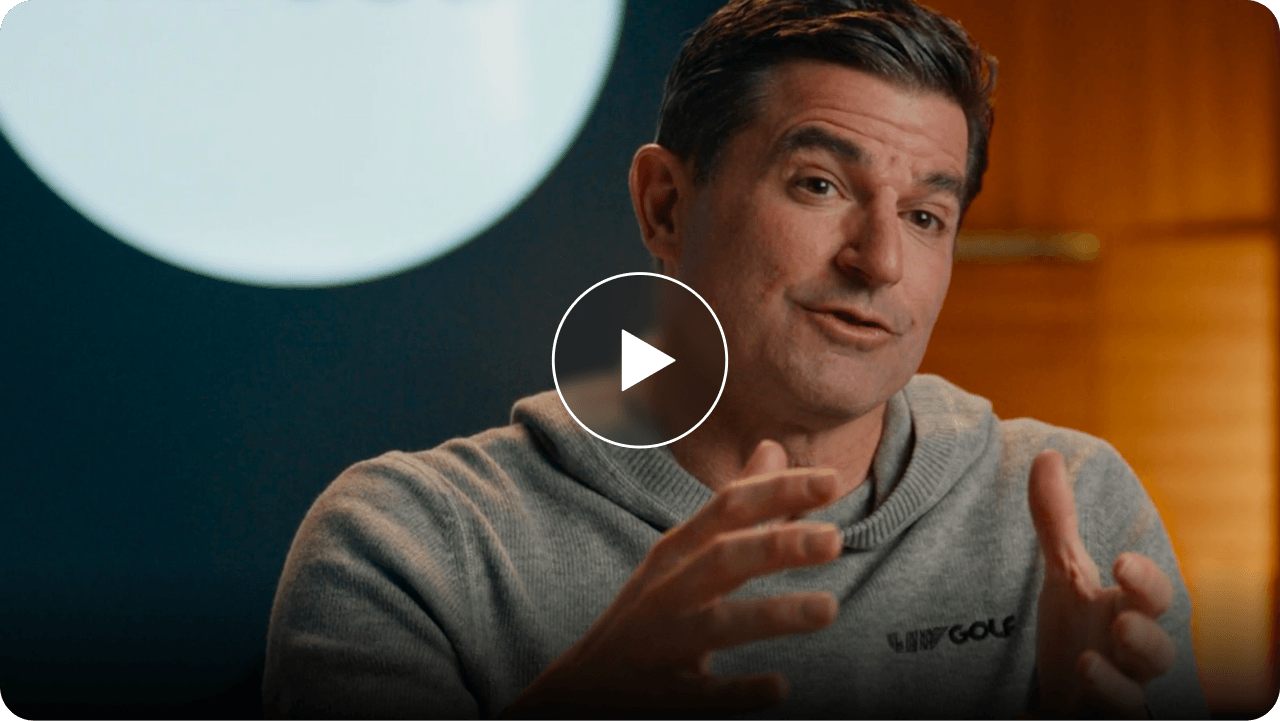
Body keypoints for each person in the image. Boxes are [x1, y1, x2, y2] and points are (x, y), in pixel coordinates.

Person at [263, 0, 1208, 718]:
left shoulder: (1071, 513)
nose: (880, 260)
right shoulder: (408, 549)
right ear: (666, 206)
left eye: (926, 215)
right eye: (819, 184)